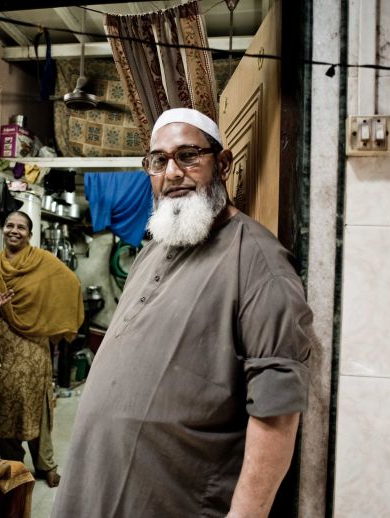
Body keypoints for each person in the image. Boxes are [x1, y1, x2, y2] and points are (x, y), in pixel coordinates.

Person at [52, 108, 313, 517]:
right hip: (95, 485)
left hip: (175, 499)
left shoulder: (259, 263)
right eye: (158, 161)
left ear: (222, 164)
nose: (172, 173)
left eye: (188, 156)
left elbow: (278, 413)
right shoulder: (154, 248)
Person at [0, 210, 84, 488]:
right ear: (3, 229)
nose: (14, 231)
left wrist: (53, 323)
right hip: (2, 346)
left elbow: (71, 285)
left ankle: (46, 465)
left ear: (30, 233)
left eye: (21, 227)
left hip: (34, 345)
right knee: (4, 402)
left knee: (37, 405)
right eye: (10, 225)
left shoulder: (43, 262)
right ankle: (13, 464)